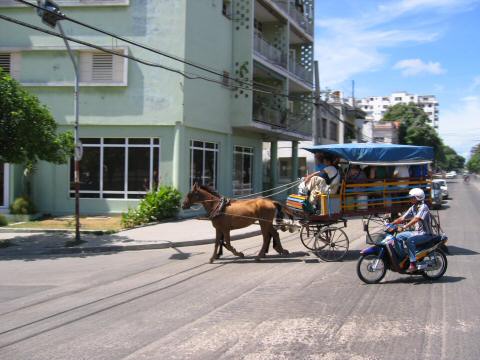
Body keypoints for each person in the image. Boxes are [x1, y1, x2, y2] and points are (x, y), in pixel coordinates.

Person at [391, 188, 433, 273]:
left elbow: (416, 219)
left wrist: (405, 226)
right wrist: (392, 223)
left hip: (425, 234)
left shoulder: (424, 207)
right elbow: (403, 217)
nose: (410, 199)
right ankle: (404, 259)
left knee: (410, 241)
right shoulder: (413, 207)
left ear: (418, 197)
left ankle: (413, 263)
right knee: (398, 237)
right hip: (416, 232)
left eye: (412, 197)